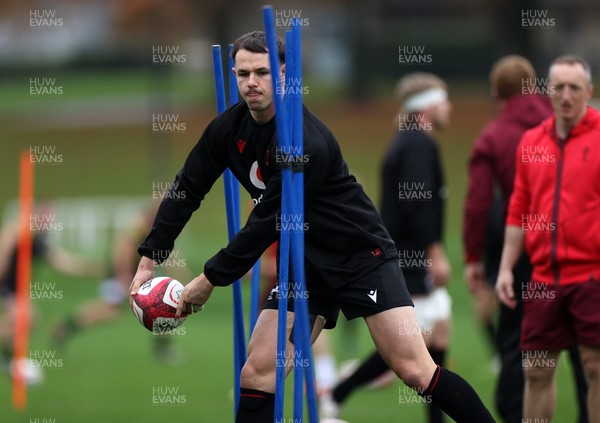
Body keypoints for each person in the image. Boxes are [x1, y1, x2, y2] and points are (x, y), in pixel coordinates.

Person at [129, 31, 495, 423]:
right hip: (302, 265)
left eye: (262, 72)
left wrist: (210, 278)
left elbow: (268, 221)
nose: (251, 82)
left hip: (360, 255)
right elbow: (187, 188)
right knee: (257, 372)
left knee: (414, 370)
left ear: (284, 74)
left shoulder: (305, 140)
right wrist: (151, 257)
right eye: (243, 73)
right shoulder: (226, 129)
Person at [319, 72, 453, 422]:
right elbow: (417, 205)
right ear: (426, 107)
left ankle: (341, 392)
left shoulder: (410, 141)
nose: (449, 108)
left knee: (436, 334)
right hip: (409, 257)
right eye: (443, 100)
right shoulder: (417, 144)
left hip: (406, 253)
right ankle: (337, 392)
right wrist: (433, 252)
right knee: (410, 347)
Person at [464, 54, 589, 423]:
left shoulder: (494, 136)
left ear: (495, 94)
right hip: (578, 252)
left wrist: (476, 258)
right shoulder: (557, 125)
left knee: (520, 344)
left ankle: (515, 410)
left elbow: (480, 203)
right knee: (588, 353)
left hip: (524, 256)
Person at [496, 55, 599, 422]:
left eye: (575, 87)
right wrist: (507, 267)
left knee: (595, 367)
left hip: (592, 275)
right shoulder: (531, 142)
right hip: (542, 278)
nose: (567, 95)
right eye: (559, 87)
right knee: (536, 370)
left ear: (589, 90)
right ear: (547, 92)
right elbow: (518, 209)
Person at [52, 203, 187, 364]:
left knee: (161, 302)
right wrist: (123, 275)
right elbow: (123, 246)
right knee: (110, 311)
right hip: (125, 273)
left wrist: (184, 281)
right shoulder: (141, 223)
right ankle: (65, 326)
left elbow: (168, 254)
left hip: (141, 271)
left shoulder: (161, 223)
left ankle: (163, 347)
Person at [0, 202, 102, 383]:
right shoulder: (17, 230)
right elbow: (5, 246)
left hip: (14, 289)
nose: (47, 221)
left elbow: (61, 262)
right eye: (45, 216)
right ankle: (9, 359)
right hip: (5, 285)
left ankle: (7, 358)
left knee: (26, 321)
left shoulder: (37, 241)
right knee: (26, 317)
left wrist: (90, 269)